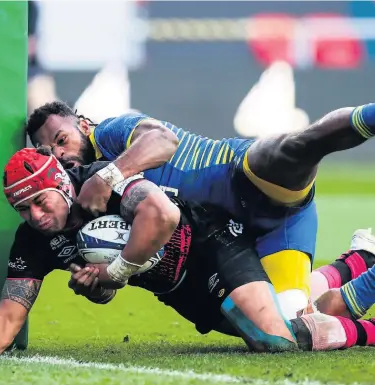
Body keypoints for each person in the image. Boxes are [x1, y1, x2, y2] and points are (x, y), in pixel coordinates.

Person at [0, 148, 375, 359]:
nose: (35, 215)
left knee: (275, 340)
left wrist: (115, 271)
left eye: (40, 201)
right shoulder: (34, 240)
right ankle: (359, 260)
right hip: (180, 290)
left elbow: (162, 214)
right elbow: (12, 308)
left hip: (212, 243)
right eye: (22, 208)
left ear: (62, 183)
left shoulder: (100, 182)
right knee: (297, 318)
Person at [24, 101, 375, 319]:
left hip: (245, 179)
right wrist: (100, 286)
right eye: (48, 151)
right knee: (296, 323)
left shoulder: (111, 133)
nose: (59, 154)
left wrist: (110, 174)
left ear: (83, 126)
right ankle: (361, 260)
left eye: (61, 140)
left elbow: (163, 140)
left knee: (297, 148)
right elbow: (123, 267)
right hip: (238, 239)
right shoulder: (84, 204)